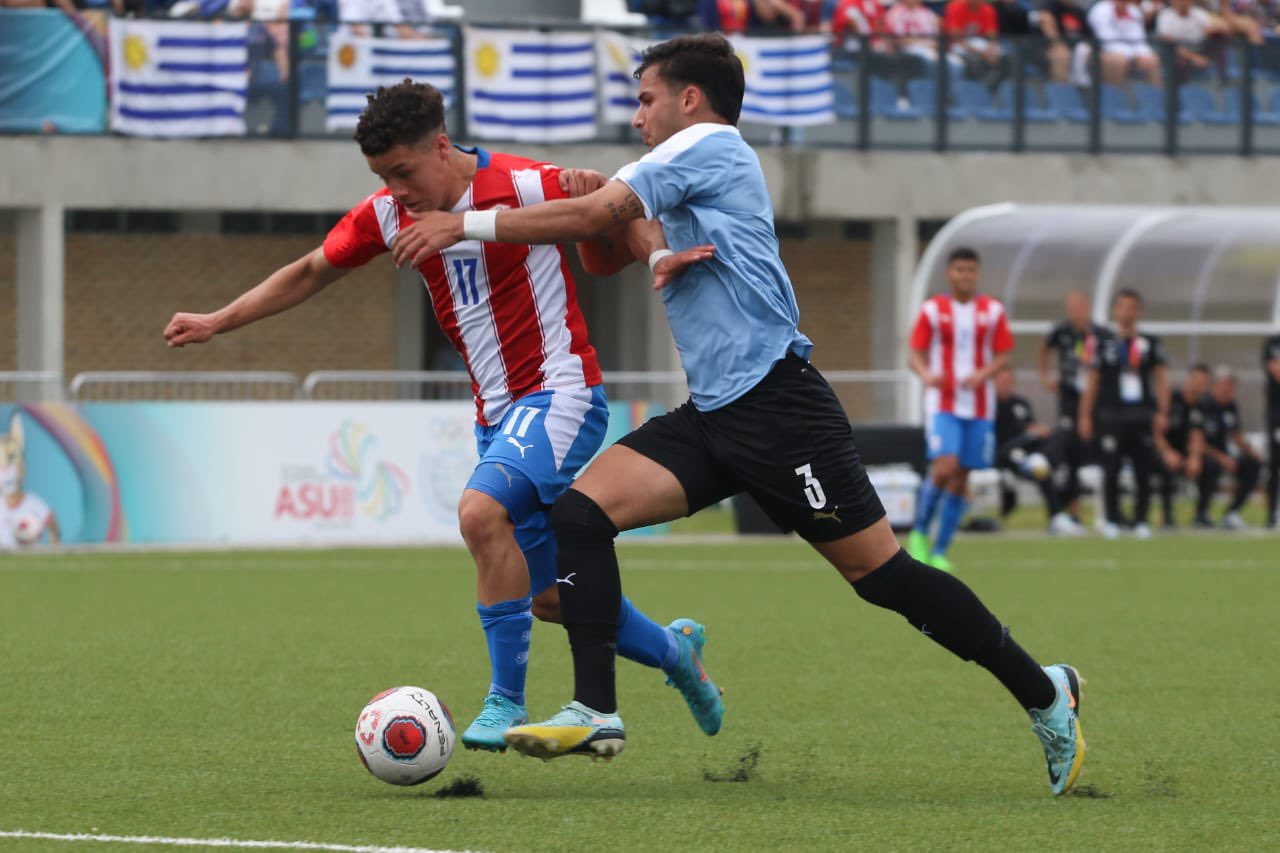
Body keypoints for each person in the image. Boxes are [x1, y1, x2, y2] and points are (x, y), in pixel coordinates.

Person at [390, 33, 1084, 795]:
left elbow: (595, 215)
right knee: (581, 516)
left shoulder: (713, 145)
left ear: (691, 99)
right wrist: (655, 250)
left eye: (646, 98)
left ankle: (1045, 693)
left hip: (782, 408)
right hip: (716, 414)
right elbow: (609, 240)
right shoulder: (678, 169)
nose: (637, 114)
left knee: (882, 576)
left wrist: (469, 222)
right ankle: (595, 706)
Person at [161, 80, 722, 753]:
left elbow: (614, 205)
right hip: (498, 414)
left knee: (480, 512)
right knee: (547, 597)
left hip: (561, 394)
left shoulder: (522, 183)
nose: (396, 189)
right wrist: (219, 320)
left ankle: (503, 700)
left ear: (440, 145)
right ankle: (674, 651)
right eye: (381, 176)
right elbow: (311, 270)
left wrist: (657, 254)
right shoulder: (389, 214)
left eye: (402, 171)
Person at [906, 247, 1014, 573]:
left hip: (980, 407)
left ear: (977, 274)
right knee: (944, 467)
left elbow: (1004, 355)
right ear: (948, 273)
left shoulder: (992, 311)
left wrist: (984, 374)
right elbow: (914, 354)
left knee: (961, 476)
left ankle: (940, 549)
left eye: (970, 270)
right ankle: (919, 532)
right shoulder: (932, 310)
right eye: (959, 270)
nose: (965, 276)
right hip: (944, 404)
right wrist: (927, 376)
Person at [1078, 289, 1170, 540]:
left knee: (1143, 469)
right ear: (1116, 310)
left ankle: (1141, 520)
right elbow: (1093, 380)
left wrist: (1163, 412)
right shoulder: (1104, 343)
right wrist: (1085, 415)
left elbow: (1161, 379)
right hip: (1111, 416)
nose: (1127, 312)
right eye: (1123, 307)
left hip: (1142, 416)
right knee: (1111, 469)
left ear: (1139, 311)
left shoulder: (1149, 343)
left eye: (1132, 307)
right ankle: (1112, 520)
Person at [1038, 290, 1103, 525]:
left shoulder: (1098, 334)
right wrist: (1045, 377)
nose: (1075, 310)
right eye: (1071, 306)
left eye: (1079, 305)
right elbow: (1044, 349)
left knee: (1093, 453)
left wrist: (1087, 414)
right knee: (1070, 454)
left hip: (1097, 402)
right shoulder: (1061, 331)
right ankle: (1073, 512)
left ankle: (1103, 514)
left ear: (1087, 307)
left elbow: (1098, 373)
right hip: (1069, 399)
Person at [993, 366, 1081, 533]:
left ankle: (1060, 515)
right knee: (1037, 466)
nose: (1007, 384)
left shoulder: (1020, 403)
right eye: (1003, 381)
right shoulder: (990, 406)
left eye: (1009, 381)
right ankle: (1056, 516)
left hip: (1029, 448)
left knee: (1062, 435)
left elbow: (1029, 425)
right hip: (1005, 452)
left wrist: (1039, 430)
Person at [1196, 367, 1263, 529]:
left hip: (1225, 455)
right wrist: (1221, 458)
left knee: (1252, 465)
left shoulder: (1230, 407)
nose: (1229, 389)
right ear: (1216, 385)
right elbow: (1197, 442)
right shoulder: (1203, 405)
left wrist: (1251, 452)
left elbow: (1237, 435)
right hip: (1204, 454)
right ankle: (1202, 514)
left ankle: (1231, 513)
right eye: (1225, 384)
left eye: (1232, 386)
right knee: (1211, 466)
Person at [1155, 363, 1210, 529]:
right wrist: (1167, 452)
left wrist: (1195, 457)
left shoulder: (1201, 406)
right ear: (1189, 379)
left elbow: (1197, 434)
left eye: (1203, 382)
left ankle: (1201, 515)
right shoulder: (1171, 401)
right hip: (1163, 451)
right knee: (1166, 467)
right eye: (1196, 379)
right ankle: (1167, 516)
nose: (1199, 385)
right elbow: (1156, 432)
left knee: (1210, 467)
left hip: (1184, 453)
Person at [1087, 0, 1163, 87]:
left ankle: (1154, 98)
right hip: (1100, 51)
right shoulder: (1100, 10)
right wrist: (1134, 56)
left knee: (1153, 60)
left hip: (1128, 53)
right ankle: (1112, 96)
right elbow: (1107, 41)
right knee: (1118, 61)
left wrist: (1146, 55)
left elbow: (1139, 39)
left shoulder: (1134, 11)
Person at [1264, 332, 1280, 529]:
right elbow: (1275, 369)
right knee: (1275, 464)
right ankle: (1272, 514)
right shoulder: (1273, 342)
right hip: (1277, 414)